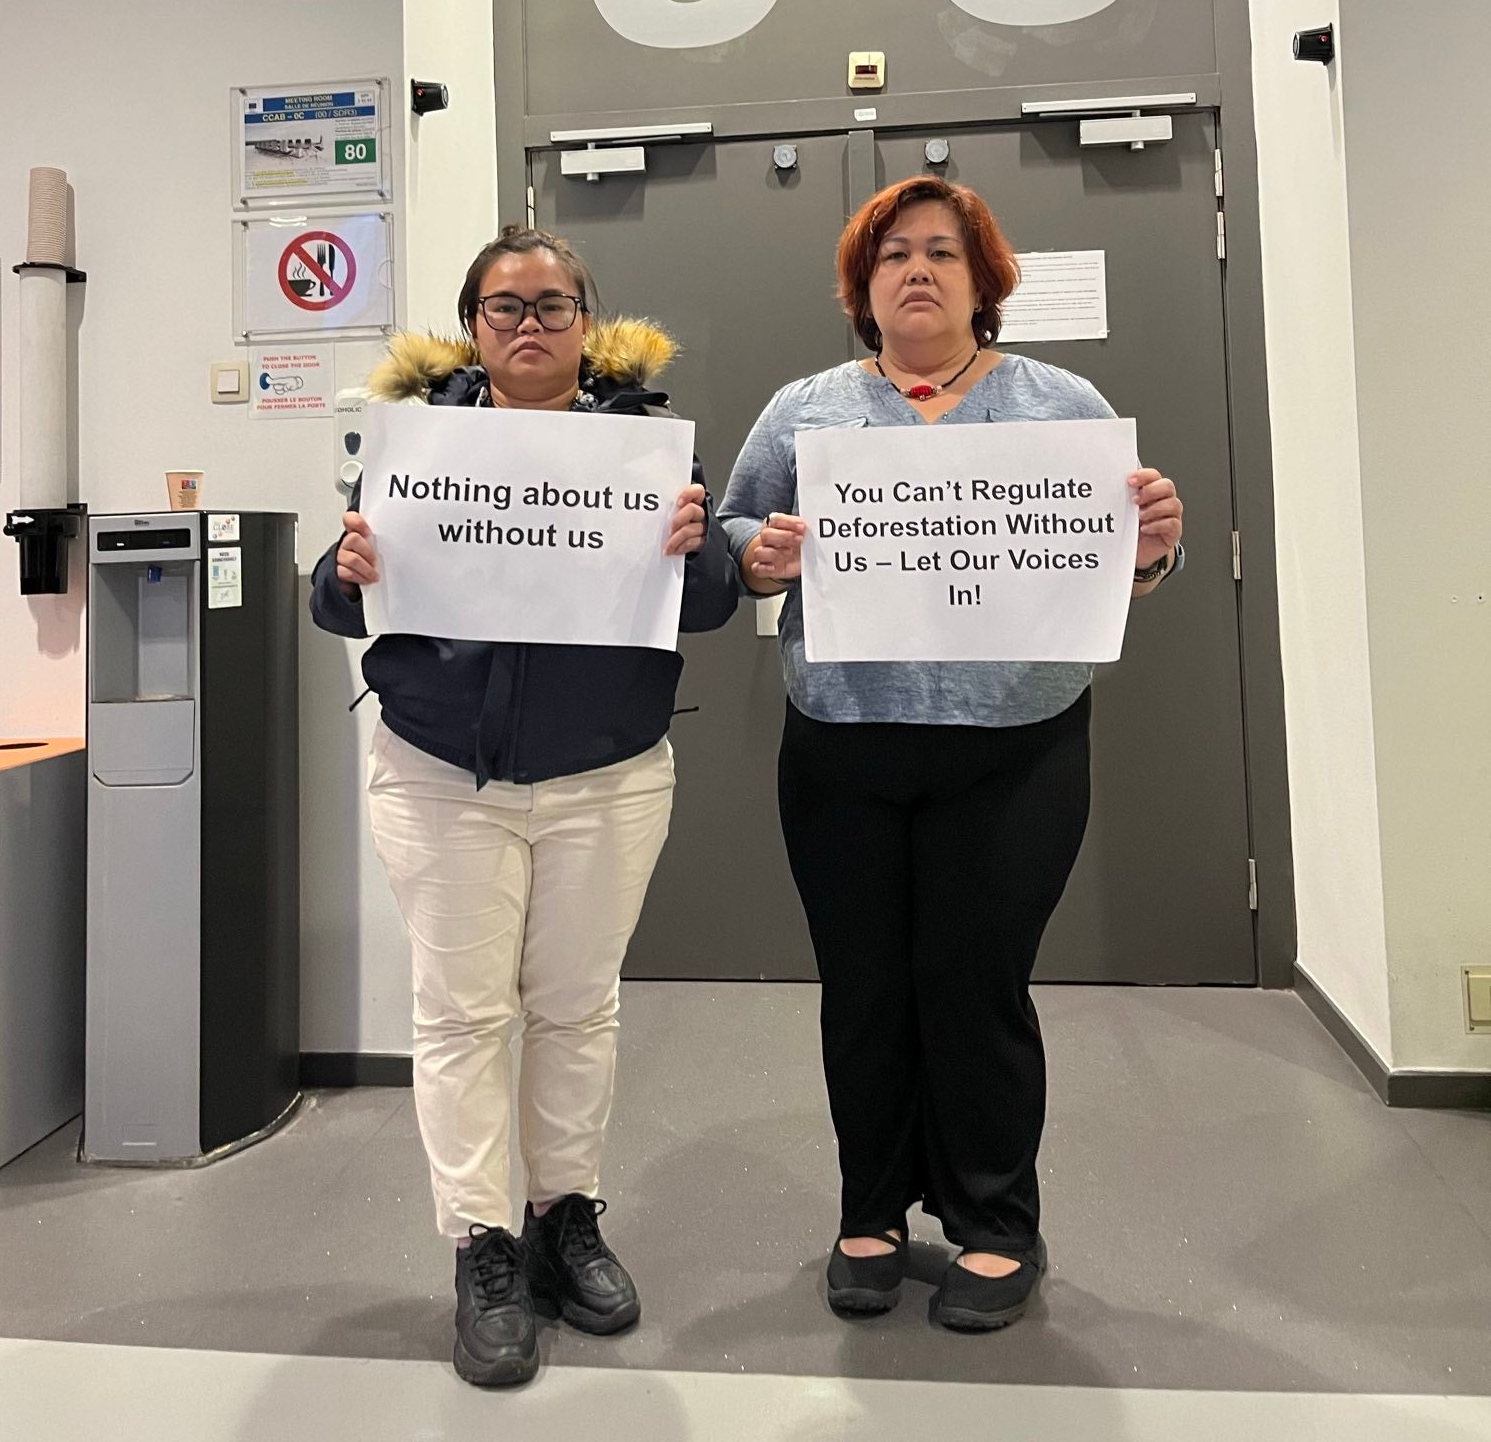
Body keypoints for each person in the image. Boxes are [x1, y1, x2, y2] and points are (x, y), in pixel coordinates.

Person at [718, 177, 1183, 1334]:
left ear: (984, 279)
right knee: (864, 986)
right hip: (842, 747)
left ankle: (995, 1223)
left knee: (976, 988)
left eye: (941, 252)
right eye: (891, 256)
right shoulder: (806, 409)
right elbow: (735, 533)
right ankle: (869, 1213)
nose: (916, 270)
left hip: (1014, 748)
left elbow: (1116, 563)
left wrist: (1151, 552)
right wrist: (761, 553)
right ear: (860, 285)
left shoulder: (1060, 400)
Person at [311, 224, 737, 1389]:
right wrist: (342, 568)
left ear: (586, 323)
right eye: (507, 307)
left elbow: (703, 608)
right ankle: (483, 1245)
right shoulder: (416, 447)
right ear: (474, 324)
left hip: (606, 772)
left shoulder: (646, 446)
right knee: (459, 1014)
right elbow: (336, 604)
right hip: (445, 770)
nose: (532, 325)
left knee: (574, 1006)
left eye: (554, 305)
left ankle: (564, 1217)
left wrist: (698, 550)